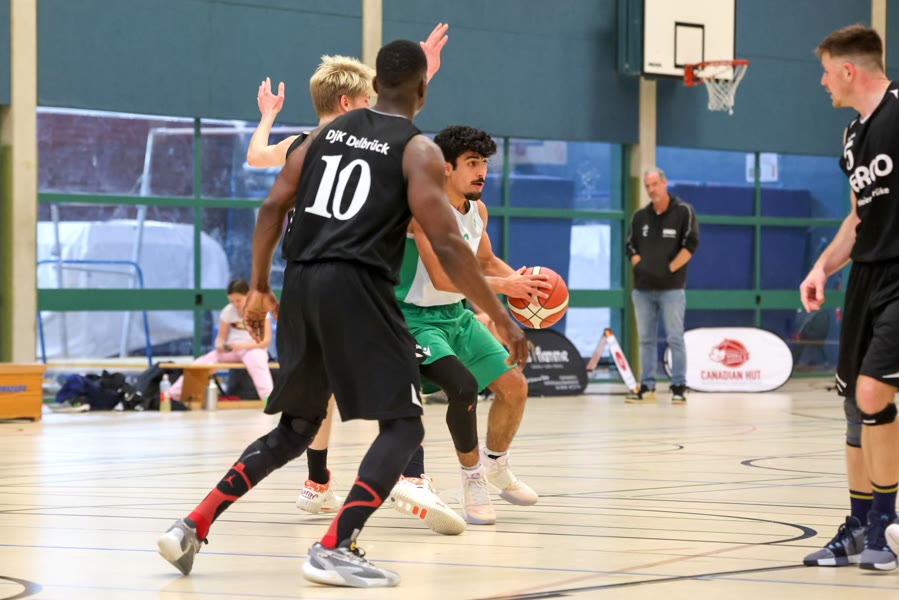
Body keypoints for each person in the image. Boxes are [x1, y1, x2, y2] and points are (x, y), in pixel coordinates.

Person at [156, 39, 528, 588]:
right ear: (423, 91)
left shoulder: (321, 137)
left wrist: (258, 288)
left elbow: (271, 208)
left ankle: (192, 525)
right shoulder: (418, 150)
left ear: (373, 86)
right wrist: (502, 316)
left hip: (301, 284)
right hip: (358, 287)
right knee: (404, 425)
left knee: (297, 427)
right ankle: (335, 545)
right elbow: (450, 245)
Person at [243, 29, 468, 536]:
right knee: (399, 379)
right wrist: (423, 76)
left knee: (317, 392)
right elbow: (401, 132)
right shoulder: (359, 142)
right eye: (368, 98)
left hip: (304, 275)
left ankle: (317, 481)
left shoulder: (303, 144)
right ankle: (410, 476)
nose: (375, 105)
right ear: (349, 102)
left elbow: (256, 156)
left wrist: (268, 115)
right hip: (355, 271)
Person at [395, 125, 549, 525]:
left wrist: (527, 285)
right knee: (462, 387)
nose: (482, 172)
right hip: (414, 319)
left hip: (456, 316)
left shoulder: (477, 210)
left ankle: (496, 463)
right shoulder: (423, 211)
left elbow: (484, 262)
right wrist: (504, 286)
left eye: (485, 163)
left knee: (514, 386)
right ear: (446, 168)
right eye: (473, 163)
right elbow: (443, 277)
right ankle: (472, 479)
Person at [800, 24, 899, 571]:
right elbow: (859, 218)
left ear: (847, 69)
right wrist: (822, 267)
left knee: (872, 391)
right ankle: (860, 527)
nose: (822, 83)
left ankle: (886, 524)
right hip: (865, 276)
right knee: (854, 406)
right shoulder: (853, 135)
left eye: (825, 72)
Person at [624, 167, 699, 404]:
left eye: (655, 184)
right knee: (645, 339)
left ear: (665, 183)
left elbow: (691, 244)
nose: (651, 190)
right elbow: (630, 246)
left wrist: (669, 269)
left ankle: (678, 386)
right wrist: (640, 265)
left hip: (672, 289)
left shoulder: (683, 211)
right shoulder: (640, 216)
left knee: (675, 337)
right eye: (647, 186)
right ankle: (647, 385)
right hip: (643, 289)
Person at [167, 278, 273, 403]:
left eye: (238, 300)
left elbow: (266, 341)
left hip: (253, 349)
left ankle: (268, 398)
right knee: (200, 363)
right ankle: (172, 395)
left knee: (258, 363)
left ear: (248, 295)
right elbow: (220, 338)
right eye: (232, 301)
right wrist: (221, 345)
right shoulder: (228, 311)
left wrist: (243, 346)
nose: (235, 304)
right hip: (232, 350)